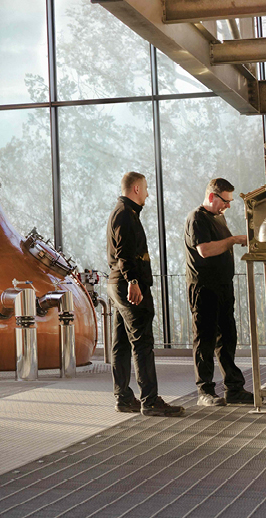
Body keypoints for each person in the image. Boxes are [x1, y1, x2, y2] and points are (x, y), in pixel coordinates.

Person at [107, 171, 184, 417]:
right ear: (136, 189)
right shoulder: (125, 215)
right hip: (128, 284)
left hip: (117, 283)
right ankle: (150, 400)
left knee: (121, 342)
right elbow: (124, 253)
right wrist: (133, 281)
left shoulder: (121, 212)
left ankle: (123, 397)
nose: (149, 194)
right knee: (142, 342)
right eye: (147, 188)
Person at [183, 177, 254, 406]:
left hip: (223, 287)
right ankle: (205, 391)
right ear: (213, 196)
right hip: (204, 288)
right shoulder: (197, 218)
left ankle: (233, 388)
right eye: (226, 200)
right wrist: (233, 240)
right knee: (205, 339)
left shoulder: (218, 217)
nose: (228, 205)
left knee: (227, 337)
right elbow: (204, 250)